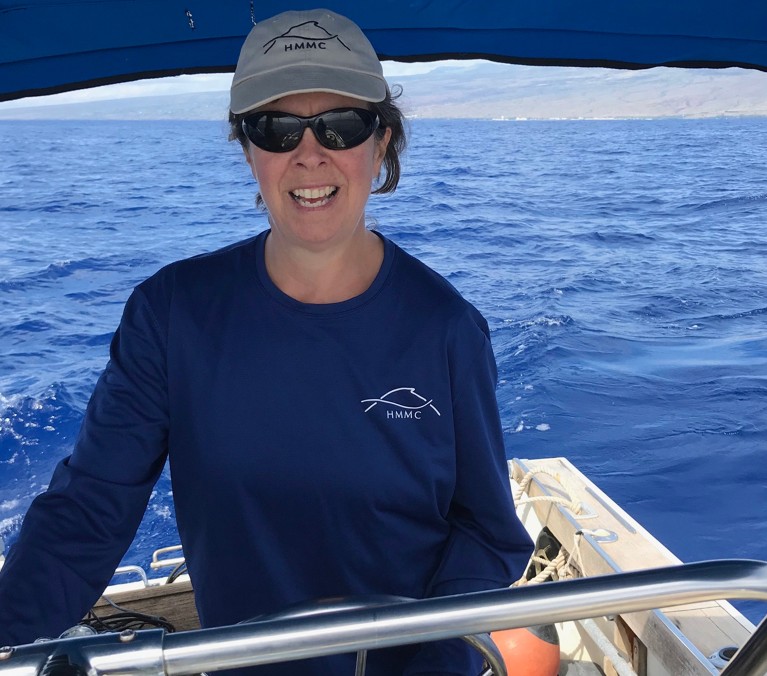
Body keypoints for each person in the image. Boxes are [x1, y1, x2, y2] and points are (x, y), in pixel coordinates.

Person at [0, 8, 533, 674]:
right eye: (276, 128)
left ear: (381, 143)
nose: (309, 153)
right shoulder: (171, 316)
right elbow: (87, 513)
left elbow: (486, 533)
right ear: (248, 149)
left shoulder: (446, 328)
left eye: (340, 125)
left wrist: (430, 661)